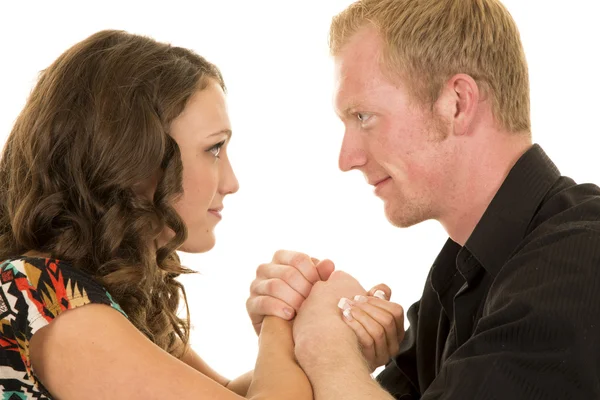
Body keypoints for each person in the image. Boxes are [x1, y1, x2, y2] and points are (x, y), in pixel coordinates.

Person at [246, 0, 600, 398]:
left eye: (363, 116)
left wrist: (325, 346)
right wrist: (283, 336)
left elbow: (331, 363)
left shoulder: (582, 260)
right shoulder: (455, 278)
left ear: (457, 104)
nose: (347, 159)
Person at [0, 29, 314, 399]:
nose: (231, 182)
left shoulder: (95, 290)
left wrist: (313, 337)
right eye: (214, 148)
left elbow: (229, 392)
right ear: (132, 161)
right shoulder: (44, 295)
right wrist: (280, 319)